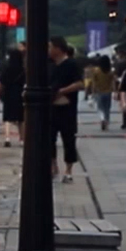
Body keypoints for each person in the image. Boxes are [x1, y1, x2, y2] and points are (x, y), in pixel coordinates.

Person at [48, 38, 84, 183]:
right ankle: (53, 165)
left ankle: (68, 170)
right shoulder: (49, 65)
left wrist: (63, 91)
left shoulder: (71, 64)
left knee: (68, 139)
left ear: (58, 48)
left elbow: (80, 84)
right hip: (51, 107)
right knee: (49, 139)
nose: (49, 50)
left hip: (67, 107)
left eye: (50, 47)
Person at [0, 44, 24, 147]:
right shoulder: (23, 69)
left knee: (7, 117)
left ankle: (7, 138)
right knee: (21, 118)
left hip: (8, 94)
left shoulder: (7, 69)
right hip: (20, 93)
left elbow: (2, 84)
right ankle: (22, 139)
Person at [85, 56, 116, 134]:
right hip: (108, 92)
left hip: (99, 92)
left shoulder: (96, 71)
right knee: (107, 108)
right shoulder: (110, 71)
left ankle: (102, 119)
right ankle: (107, 122)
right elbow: (113, 82)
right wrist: (115, 90)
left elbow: (94, 83)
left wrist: (93, 92)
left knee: (100, 108)